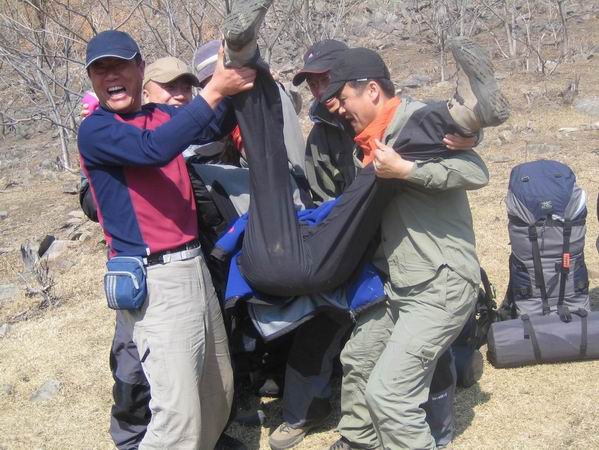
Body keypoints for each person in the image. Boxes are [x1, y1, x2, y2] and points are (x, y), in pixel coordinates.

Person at [320, 41, 507, 450]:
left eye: (344, 98)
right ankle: (360, 442)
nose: (340, 108)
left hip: (440, 283)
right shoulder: (365, 144)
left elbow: (476, 172)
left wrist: (407, 170)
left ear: (372, 90)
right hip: (397, 284)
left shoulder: (417, 123)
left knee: (389, 396)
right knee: (359, 359)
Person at [78, 25, 256, 449]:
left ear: (140, 69)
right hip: (154, 279)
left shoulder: (159, 115)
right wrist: (215, 89)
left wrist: (238, 71)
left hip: (193, 265)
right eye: (101, 70)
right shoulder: (97, 130)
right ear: (91, 79)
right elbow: (153, 149)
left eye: (120, 65)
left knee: (216, 386)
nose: (111, 76)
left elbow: (211, 124)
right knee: (177, 411)